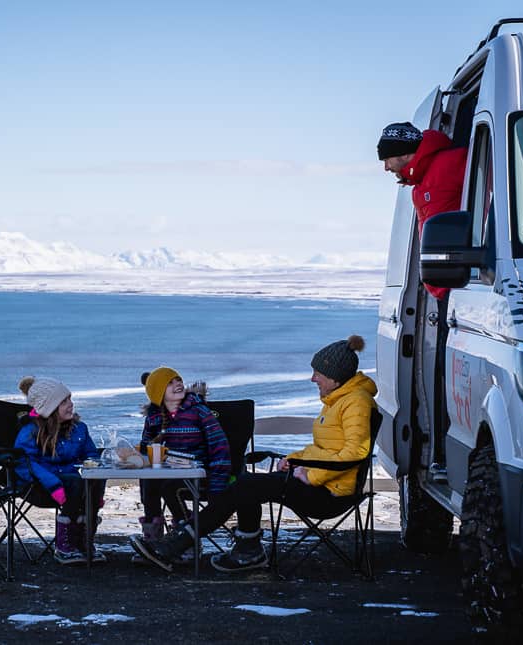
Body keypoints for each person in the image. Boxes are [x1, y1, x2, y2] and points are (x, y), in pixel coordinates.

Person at [131, 336, 377, 573]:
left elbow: (355, 454)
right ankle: (243, 550)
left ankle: (181, 546)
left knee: (245, 486)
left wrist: (310, 474)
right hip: (322, 482)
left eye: (319, 374)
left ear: (336, 376)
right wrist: (293, 459)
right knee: (246, 484)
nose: (313, 379)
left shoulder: (356, 403)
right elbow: (327, 448)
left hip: (330, 493)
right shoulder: (338, 400)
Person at [13, 376, 106, 565]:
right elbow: (25, 464)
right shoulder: (31, 432)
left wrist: (97, 471)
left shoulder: (79, 429)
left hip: (73, 483)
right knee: (76, 482)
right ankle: (65, 545)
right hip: (39, 485)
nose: (71, 404)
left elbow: (91, 454)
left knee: (92, 479)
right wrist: (54, 485)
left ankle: (85, 542)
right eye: (64, 401)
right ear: (49, 407)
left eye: (70, 399)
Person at [135, 366, 232, 546]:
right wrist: (137, 453)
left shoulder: (198, 411)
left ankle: (185, 537)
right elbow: (144, 448)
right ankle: (153, 538)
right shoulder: (154, 417)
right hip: (170, 471)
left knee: (170, 487)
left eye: (178, 380)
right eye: (169, 383)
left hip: (200, 476)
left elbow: (220, 447)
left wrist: (217, 485)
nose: (177, 384)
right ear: (158, 393)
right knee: (148, 480)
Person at [377, 121, 468, 300]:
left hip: (461, 283)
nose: (386, 167)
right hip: (445, 289)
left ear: (402, 153)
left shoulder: (453, 162)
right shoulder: (419, 186)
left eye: (387, 159)